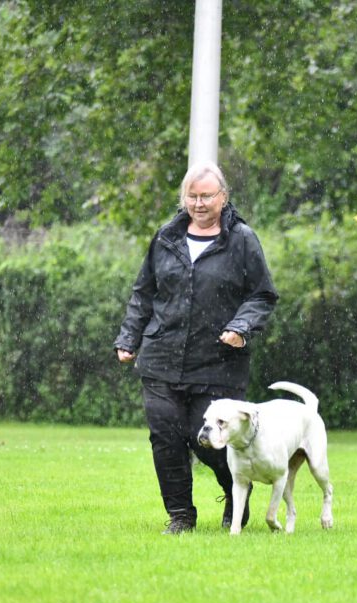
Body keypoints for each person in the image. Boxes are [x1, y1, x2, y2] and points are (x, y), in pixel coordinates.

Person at [115, 162, 278, 534]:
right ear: (183, 198)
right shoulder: (165, 238)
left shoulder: (241, 239)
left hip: (219, 361)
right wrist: (129, 338)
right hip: (161, 357)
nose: (199, 203)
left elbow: (262, 295)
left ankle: (236, 492)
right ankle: (181, 515)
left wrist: (240, 327)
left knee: (204, 438)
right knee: (166, 436)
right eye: (193, 196)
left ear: (223, 197)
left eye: (207, 196)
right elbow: (144, 294)